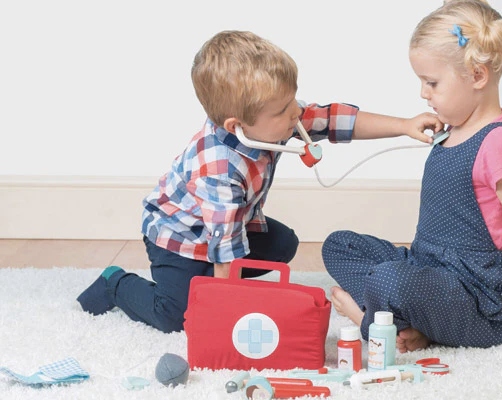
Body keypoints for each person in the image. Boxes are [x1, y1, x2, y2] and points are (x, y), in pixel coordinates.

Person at [76, 30, 443, 333]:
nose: (296, 112)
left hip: (222, 230)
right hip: (180, 239)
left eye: (293, 100)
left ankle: (202, 286)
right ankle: (115, 283)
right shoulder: (218, 169)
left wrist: (404, 126)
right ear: (238, 125)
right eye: (284, 110)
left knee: (282, 244)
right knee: (178, 316)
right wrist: (219, 312)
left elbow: (334, 120)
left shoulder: (273, 119)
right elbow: (225, 247)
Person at [322, 0, 502, 352]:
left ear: (477, 76)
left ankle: (373, 322)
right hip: (427, 269)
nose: (423, 93)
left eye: (432, 83)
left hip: (478, 298)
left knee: (389, 280)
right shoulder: (448, 131)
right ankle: (414, 324)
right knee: (339, 245)